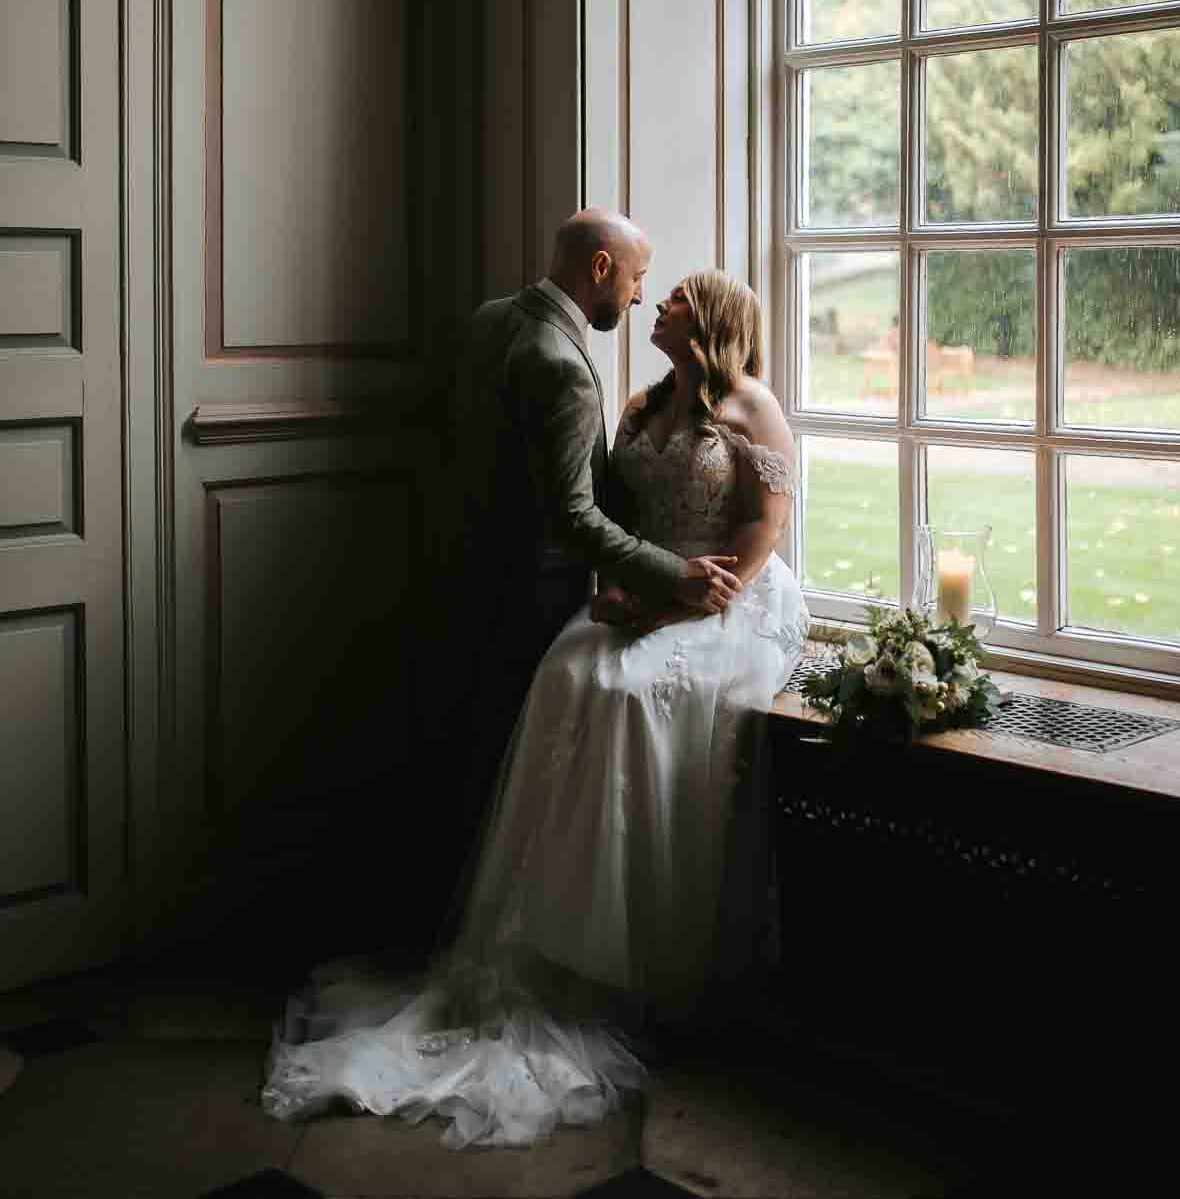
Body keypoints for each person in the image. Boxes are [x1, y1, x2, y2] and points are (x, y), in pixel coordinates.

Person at [261, 264, 810, 1146]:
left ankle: (641, 966)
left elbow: (757, 539)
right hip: (646, 588)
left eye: (671, 298)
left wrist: (666, 603)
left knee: (630, 693)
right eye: (650, 288)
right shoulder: (637, 404)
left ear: (708, 320)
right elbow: (604, 512)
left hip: (727, 600)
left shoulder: (752, 409)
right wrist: (621, 589)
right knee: (574, 671)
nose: (652, 303)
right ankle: (546, 948)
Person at [450, 209, 743, 834]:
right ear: (601, 267)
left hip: (465, 569)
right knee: (519, 772)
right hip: (532, 593)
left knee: (481, 759)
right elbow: (572, 515)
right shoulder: (562, 363)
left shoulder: (489, 319)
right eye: (636, 278)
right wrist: (675, 573)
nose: (640, 296)